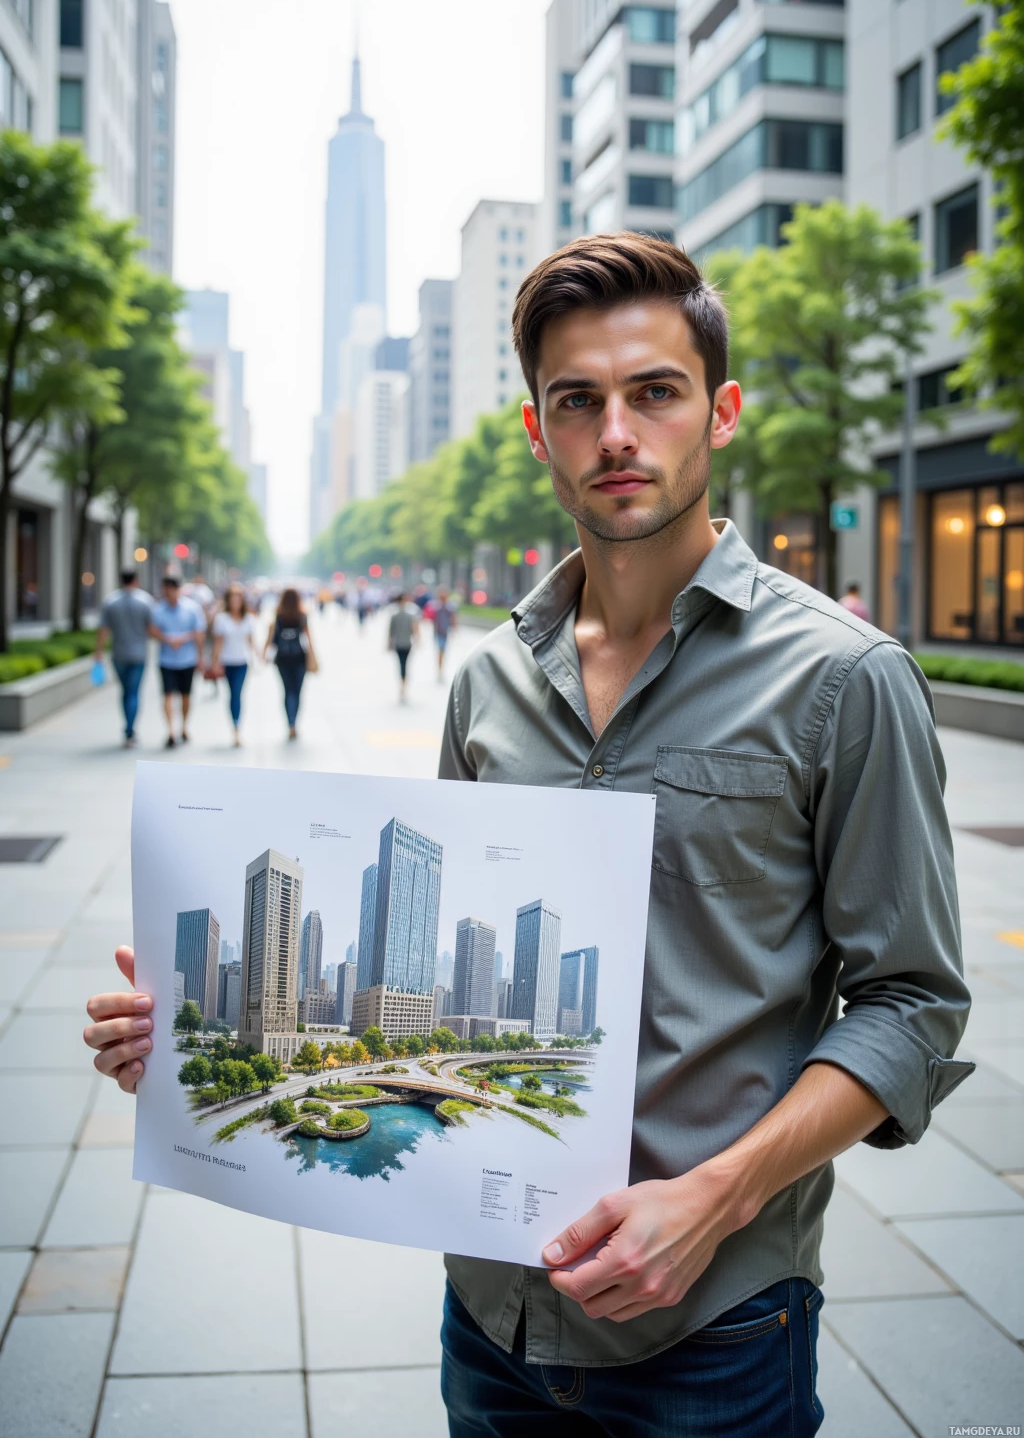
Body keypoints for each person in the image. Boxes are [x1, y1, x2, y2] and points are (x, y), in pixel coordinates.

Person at [81, 234, 972, 1436]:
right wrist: (199, 1039)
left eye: (653, 392)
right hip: (490, 1322)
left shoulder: (845, 679)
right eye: (578, 401)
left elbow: (911, 1005)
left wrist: (712, 1197)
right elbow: (441, 975)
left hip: (714, 1332)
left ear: (720, 412)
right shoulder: (487, 681)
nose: (616, 431)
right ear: (536, 430)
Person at [94, 569, 153, 747]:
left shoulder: (111, 601)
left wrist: (98, 652)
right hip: (138, 655)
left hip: (118, 654)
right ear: (136, 580)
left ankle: (128, 728)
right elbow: (151, 628)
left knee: (126, 691)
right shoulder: (145, 601)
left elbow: (103, 631)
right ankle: (130, 730)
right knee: (133, 693)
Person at [149, 576, 205, 748]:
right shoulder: (158, 610)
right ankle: (170, 731)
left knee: (186, 696)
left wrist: (198, 655)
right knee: (167, 695)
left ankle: (184, 726)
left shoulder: (192, 608)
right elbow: (152, 630)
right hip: (166, 660)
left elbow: (199, 633)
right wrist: (166, 639)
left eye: (170, 589)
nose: (168, 593)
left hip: (187, 659)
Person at [265, 586, 314, 739]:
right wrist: (313, 656)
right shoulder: (302, 615)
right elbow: (309, 638)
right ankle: (294, 721)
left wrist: (264, 653)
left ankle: (290, 722)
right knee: (297, 692)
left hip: (282, 658)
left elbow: (273, 637)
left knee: (287, 691)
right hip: (299, 658)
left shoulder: (278, 615)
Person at [211, 584, 256, 746]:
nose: (235, 603)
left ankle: (237, 728)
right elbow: (218, 643)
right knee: (231, 694)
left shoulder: (248, 618)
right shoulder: (222, 619)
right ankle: (234, 723)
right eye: (232, 600)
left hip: (242, 661)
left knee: (237, 693)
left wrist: (257, 657)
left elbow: (251, 640)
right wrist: (215, 663)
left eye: (238, 599)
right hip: (226, 661)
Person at [387, 591, 419, 701]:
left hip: (400, 644)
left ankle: (402, 684)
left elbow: (390, 632)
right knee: (404, 664)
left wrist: (389, 643)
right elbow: (415, 629)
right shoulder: (410, 615)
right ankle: (404, 684)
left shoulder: (395, 615)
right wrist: (417, 639)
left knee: (401, 664)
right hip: (406, 643)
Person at [431, 587, 458, 681]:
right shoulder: (435, 606)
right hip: (437, 632)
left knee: (443, 651)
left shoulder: (450, 606)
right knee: (440, 650)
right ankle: (440, 670)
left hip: (445, 632)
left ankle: (441, 669)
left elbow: (453, 618)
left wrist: (454, 629)